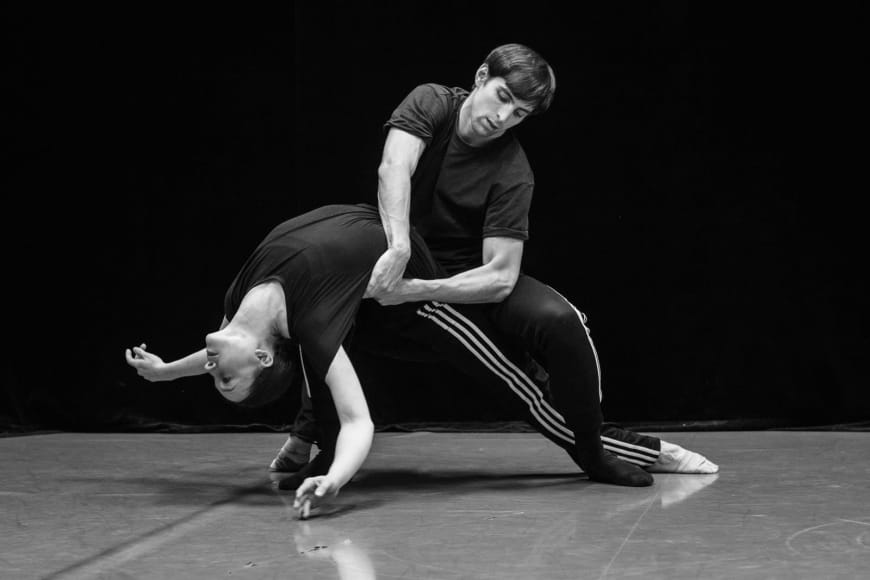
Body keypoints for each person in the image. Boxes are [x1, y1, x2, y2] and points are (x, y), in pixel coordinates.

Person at [270, 43, 718, 486]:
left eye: (519, 113)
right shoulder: (433, 102)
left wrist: (415, 289)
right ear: (482, 77)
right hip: (398, 259)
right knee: (319, 306)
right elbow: (393, 167)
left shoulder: (512, 169)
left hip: (465, 278)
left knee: (561, 321)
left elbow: (500, 277)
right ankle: (317, 438)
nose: (503, 118)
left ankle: (597, 451)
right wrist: (401, 249)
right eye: (504, 97)